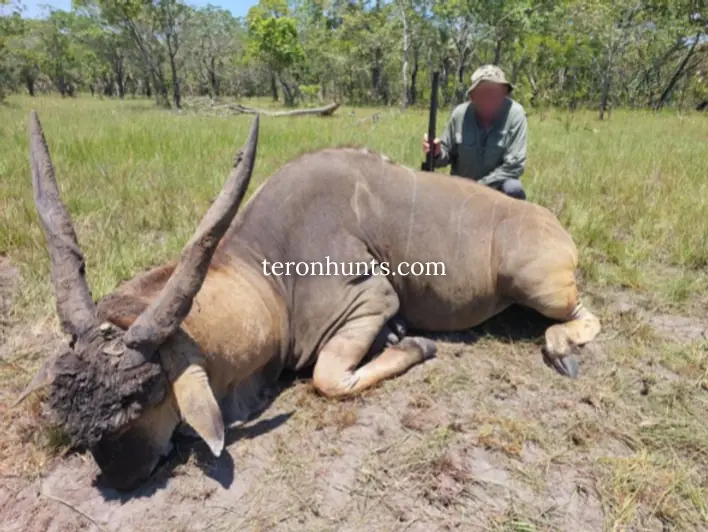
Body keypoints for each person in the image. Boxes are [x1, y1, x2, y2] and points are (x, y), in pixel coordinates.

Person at [422, 65, 528, 200]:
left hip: (496, 188)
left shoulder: (516, 115)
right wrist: (436, 153)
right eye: (484, 92)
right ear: (472, 96)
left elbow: (514, 167)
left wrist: (478, 188)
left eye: (495, 92)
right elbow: (444, 156)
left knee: (514, 188)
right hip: (461, 189)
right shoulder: (460, 114)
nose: (490, 98)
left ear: (505, 93)